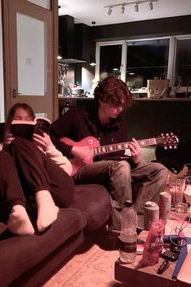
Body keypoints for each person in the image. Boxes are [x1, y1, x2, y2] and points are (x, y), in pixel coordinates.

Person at [50, 75, 168, 229]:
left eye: (122, 105)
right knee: (121, 166)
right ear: (101, 100)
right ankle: (122, 229)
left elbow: (115, 159)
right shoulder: (77, 116)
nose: (120, 109)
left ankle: (135, 222)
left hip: (110, 169)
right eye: (116, 104)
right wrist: (73, 149)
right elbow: (49, 136)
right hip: (79, 169)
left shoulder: (120, 124)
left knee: (160, 170)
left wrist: (135, 159)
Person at [0, 102, 75, 235]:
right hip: (29, 201)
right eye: (18, 119)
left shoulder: (40, 146)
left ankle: (46, 201)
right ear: (9, 124)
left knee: (20, 144)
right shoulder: (0, 149)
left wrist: (49, 148)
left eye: (28, 120)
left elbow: (67, 169)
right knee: (0, 156)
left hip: (58, 191)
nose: (23, 122)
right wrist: (6, 149)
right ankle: (19, 214)